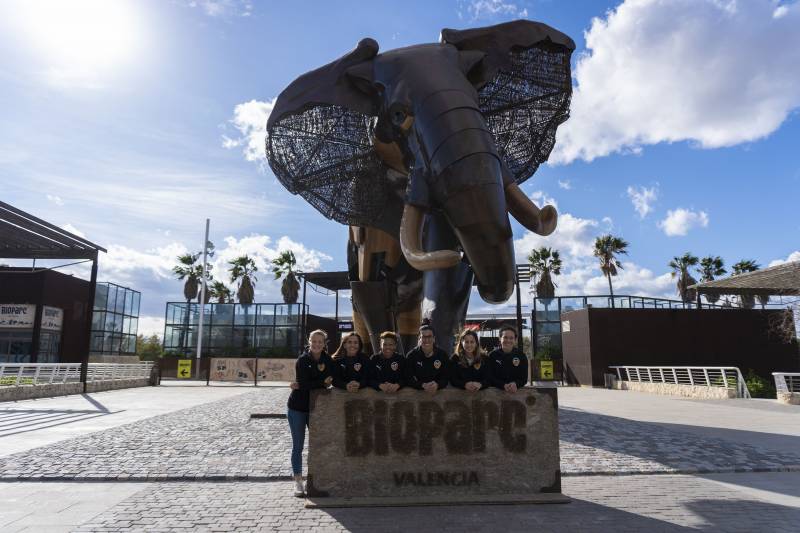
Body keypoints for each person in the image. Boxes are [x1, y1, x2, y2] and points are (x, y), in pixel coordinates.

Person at [287, 329, 332, 496]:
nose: (317, 344)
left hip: (316, 410)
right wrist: (321, 382)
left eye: (320, 341)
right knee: (298, 446)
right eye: (314, 341)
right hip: (297, 408)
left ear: (325, 343)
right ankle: (298, 480)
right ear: (309, 341)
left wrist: (318, 383)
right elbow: (304, 384)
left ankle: (317, 478)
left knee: (319, 444)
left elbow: (330, 380)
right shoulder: (302, 360)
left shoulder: (328, 360)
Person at [405, 324, 449, 393]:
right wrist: (422, 385)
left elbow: (446, 377)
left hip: (438, 395)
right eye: (423, 337)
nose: (427, 340)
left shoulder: (442, 355)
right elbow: (408, 378)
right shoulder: (411, 355)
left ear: (434, 338)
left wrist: (437, 385)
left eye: (429, 336)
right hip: (417, 396)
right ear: (419, 339)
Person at [488, 325, 528, 393]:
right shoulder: (492, 355)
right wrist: (503, 385)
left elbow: (524, 379)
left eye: (511, 338)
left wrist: (515, 384)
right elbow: (489, 377)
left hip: (516, 394)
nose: (508, 340)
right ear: (500, 338)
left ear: (515, 340)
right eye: (505, 337)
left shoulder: (521, 356)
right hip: (495, 394)